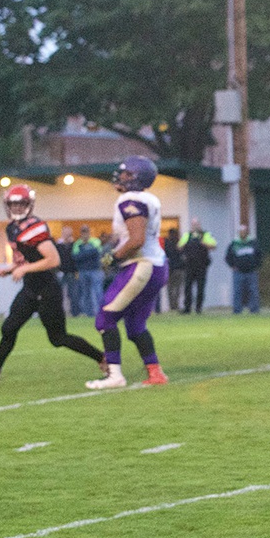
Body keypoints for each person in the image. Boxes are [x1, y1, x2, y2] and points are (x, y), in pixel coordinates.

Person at [0, 185, 105, 382]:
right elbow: (26, 258)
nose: (17, 208)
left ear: (29, 204)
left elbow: (53, 260)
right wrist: (13, 267)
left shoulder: (34, 227)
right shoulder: (12, 227)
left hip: (47, 289)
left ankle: (102, 358)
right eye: (13, 204)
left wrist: (23, 269)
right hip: (31, 288)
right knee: (9, 328)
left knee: (58, 339)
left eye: (21, 204)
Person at [85, 157, 170, 389]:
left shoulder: (130, 199)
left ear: (135, 177)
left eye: (125, 174)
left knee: (105, 317)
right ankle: (155, 373)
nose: (120, 177)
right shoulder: (147, 198)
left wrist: (113, 256)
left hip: (141, 264)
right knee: (135, 324)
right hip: (155, 264)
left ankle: (115, 375)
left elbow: (137, 239)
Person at [178, 218, 216, 313]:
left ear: (199, 224)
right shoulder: (187, 235)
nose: (195, 226)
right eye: (193, 224)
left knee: (200, 287)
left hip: (202, 265)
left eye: (196, 224)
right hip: (189, 265)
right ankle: (187, 308)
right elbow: (179, 247)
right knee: (187, 287)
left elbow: (213, 246)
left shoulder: (205, 234)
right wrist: (185, 244)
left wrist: (204, 243)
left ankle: (198, 308)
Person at [225, 224, 262, 314]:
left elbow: (259, 255)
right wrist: (232, 266)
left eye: (244, 231)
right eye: (241, 232)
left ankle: (254, 309)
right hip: (238, 272)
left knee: (253, 291)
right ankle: (237, 310)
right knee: (237, 292)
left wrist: (256, 266)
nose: (243, 233)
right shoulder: (234, 244)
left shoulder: (253, 243)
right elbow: (228, 257)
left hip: (251, 271)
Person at [72, 225, 104, 316]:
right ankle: (89, 313)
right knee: (85, 293)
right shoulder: (77, 243)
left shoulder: (95, 241)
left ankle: (101, 312)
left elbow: (97, 252)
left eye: (86, 232)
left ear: (89, 232)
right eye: (83, 232)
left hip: (95, 270)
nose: (84, 234)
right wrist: (88, 254)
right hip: (83, 271)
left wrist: (83, 254)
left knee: (98, 292)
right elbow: (75, 257)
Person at [55, 226, 79, 316]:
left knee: (73, 294)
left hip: (71, 272)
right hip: (61, 272)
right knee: (59, 294)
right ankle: (59, 312)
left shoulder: (74, 245)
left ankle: (74, 313)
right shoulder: (58, 245)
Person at [163, 226, 183, 313]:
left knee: (171, 289)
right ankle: (176, 305)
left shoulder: (167, 243)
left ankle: (172, 306)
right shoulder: (179, 243)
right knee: (177, 289)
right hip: (178, 268)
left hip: (170, 268)